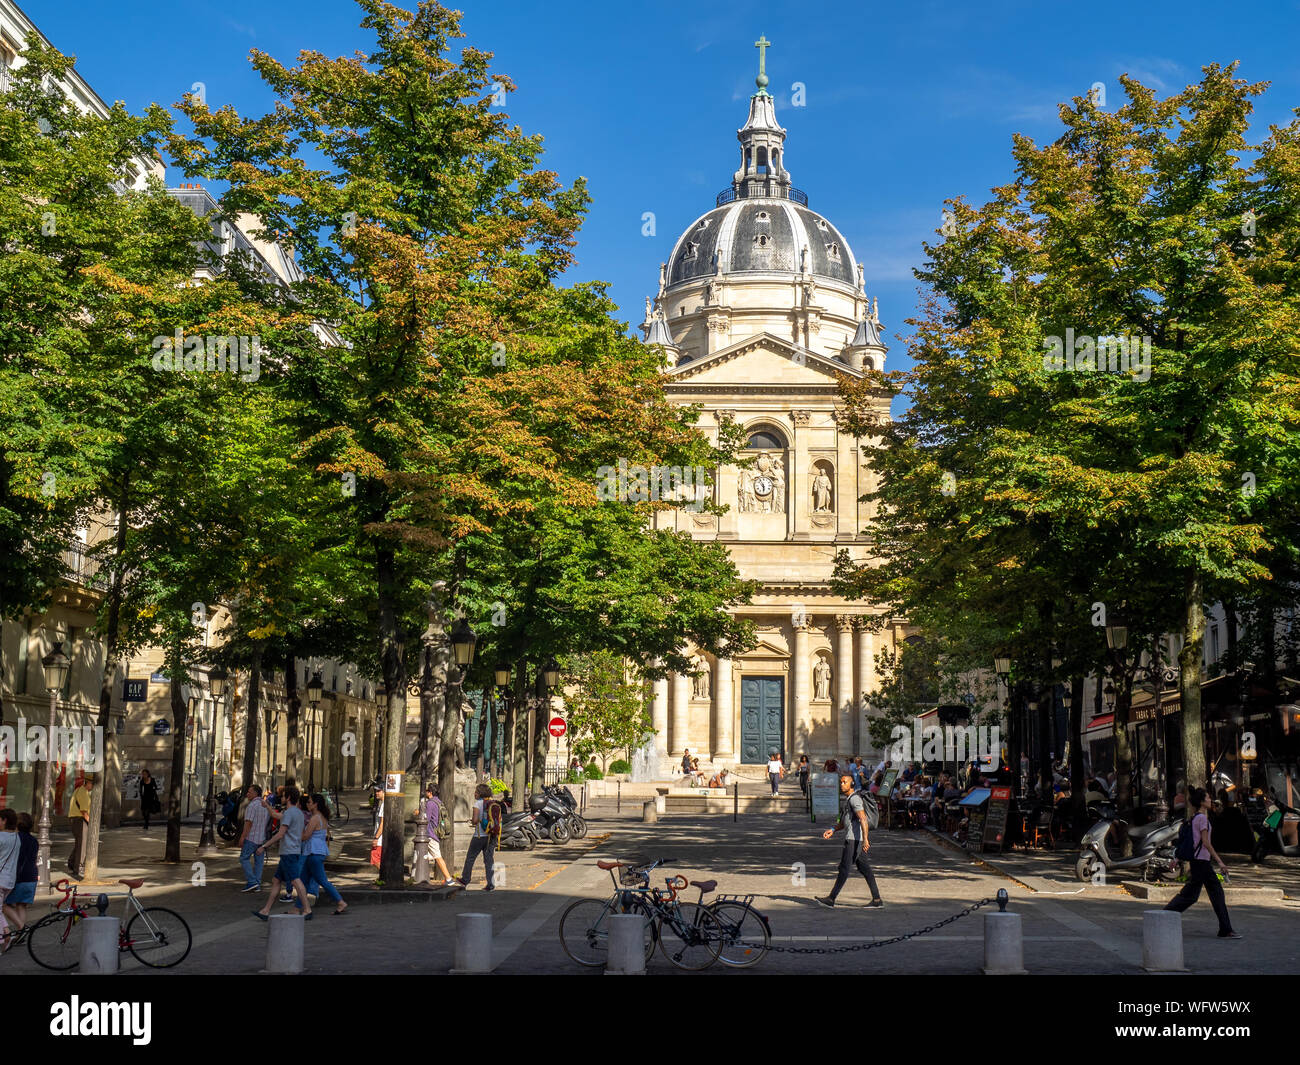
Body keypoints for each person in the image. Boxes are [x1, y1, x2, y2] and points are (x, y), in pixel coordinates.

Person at [1163, 787, 1241, 939]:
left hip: (1199, 862)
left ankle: (1225, 929)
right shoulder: (1202, 819)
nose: (1210, 800)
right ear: (1201, 802)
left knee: (1198, 894)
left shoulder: (1194, 818)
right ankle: (1164, 916)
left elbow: (1189, 842)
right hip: (1202, 862)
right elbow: (1205, 842)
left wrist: (1177, 859)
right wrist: (1220, 862)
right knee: (1197, 894)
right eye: (1207, 798)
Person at [815, 773, 883, 909]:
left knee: (844, 869)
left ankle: (831, 898)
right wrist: (833, 829)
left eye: (844, 782)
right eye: (840, 782)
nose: (841, 784)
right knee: (865, 869)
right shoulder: (848, 799)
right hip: (855, 839)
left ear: (852, 784)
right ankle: (877, 900)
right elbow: (845, 821)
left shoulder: (854, 799)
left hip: (854, 840)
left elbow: (863, 819)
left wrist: (866, 839)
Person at [253, 785, 311, 920]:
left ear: (289, 797)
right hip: (293, 850)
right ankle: (265, 911)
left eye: (284, 796)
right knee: (276, 880)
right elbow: (275, 815)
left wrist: (264, 846)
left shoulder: (289, 813)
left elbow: (280, 834)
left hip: (288, 852)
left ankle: (307, 909)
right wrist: (267, 805)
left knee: (296, 880)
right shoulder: (297, 813)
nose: (282, 798)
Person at [298, 794, 347, 916]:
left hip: (313, 852)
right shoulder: (322, 817)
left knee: (322, 880)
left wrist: (297, 830)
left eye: (309, 802)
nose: (307, 804)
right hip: (316, 851)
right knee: (303, 880)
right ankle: (298, 906)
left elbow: (305, 836)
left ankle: (340, 901)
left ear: (316, 804)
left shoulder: (315, 818)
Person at [2, 812, 37, 946]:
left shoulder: (16, 838)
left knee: (4, 905)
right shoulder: (34, 840)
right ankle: (20, 933)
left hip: (19, 876)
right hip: (32, 876)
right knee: (21, 905)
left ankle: (22, 928)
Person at [460, 784, 498, 889]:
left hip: (479, 836)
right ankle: (491, 883)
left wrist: (473, 821)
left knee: (470, 858)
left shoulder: (478, 804)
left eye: (476, 792)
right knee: (489, 859)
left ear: (480, 793)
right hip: (491, 836)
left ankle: (465, 879)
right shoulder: (492, 803)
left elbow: (475, 820)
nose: (474, 793)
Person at [238, 784, 272, 893]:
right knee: (259, 862)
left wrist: (242, 837)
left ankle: (252, 881)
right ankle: (257, 883)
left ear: (256, 793)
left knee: (244, 858)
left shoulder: (252, 806)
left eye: (249, 792)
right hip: (261, 838)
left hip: (251, 837)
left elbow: (248, 823)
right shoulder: (265, 805)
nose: (247, 794)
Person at [419, 784, 455, 886]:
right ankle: (422, 875)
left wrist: (419, 813)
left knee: (438, 856)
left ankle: (448, 879)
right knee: (425, 856)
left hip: (430, 833)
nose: (426, 792)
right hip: (435, 833)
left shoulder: (430, 803)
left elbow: (426, 818)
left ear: (430, 792)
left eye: (427, 790)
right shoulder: (438, 801)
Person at [0, 810, 19, 951]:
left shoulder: (1, 837)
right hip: (10, 880)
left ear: (4, 820)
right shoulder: (16, 838)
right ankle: (5, 934)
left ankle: (6, 935)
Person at [67, 775, 92, 879]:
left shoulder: (79, 790)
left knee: (80, 843)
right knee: (82, 844)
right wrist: (91, 823)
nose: (93, 786)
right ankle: (79, 868)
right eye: (92, 783)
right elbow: (84, 811)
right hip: (79, 820)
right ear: (88, 783)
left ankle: (72, 863)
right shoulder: (83, 793)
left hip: (76, 819)